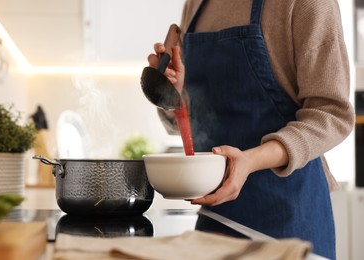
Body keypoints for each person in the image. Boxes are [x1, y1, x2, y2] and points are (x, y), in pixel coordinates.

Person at [146, 0, 354, 259]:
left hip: (289, 218)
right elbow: (196, 115)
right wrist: (173, 95)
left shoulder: (308, 4)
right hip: (215, 221)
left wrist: (251, 160)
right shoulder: (196, 5)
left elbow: (332, 113)